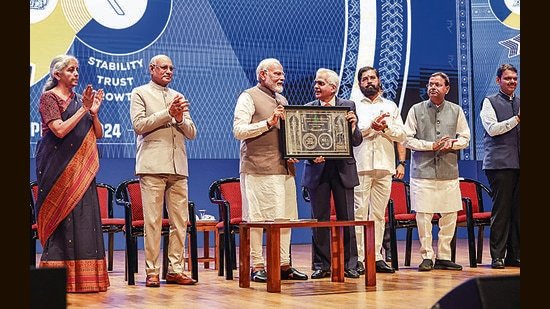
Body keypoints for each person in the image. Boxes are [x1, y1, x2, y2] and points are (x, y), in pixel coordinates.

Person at [35, 54, 109, 293]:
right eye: (70, 70)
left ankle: (86, 279)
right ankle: (56, 279)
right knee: (62, 223)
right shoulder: (49, 98)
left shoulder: (81, 100)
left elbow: (98, 134)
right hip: (57, 169)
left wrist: (94, 113)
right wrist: (83, 111)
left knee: (83, 220)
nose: (76, 74)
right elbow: (58, 130)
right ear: (57, 74)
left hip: (82, 172)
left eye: (77, 70)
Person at [233, 58, 308, 282]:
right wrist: (267, 122)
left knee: (284, 218)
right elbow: (239, 130)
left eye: (282, 73)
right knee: (258, 218)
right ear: (262, 75)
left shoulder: (282, 99)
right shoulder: (248, 96)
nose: (281, 77)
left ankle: (284, 264)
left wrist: (293, 150)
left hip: (284, 169)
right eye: (276, 74)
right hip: (259, 167)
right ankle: (258, 265)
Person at [130, 54, 197, 287]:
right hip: (152, 166)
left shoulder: (178, 96)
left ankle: (175, 270)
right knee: (153, 222)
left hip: (178, 167)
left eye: (171, 68)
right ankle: (152, 272)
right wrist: (167, 113)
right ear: (151, 69)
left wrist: (179, 118)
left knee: (180, 222)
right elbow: (139, 125)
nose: (169, 71)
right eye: (164, 67)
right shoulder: (139, 93)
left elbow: (191, 132)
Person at [402, 72, 470, 271]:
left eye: (438, 84)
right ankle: (426, 256)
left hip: (448, 171)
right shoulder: (416, 109)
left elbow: (465, 137)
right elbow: (407, 139)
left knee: (449, 215)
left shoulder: (456, 110)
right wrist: (430, 145)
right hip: (422, 172)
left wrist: (453, 143)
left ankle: (444, 256)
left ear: (446, 89)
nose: (432, 87)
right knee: (423, 216)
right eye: (430, 84)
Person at [302, 68, 362, 279]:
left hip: (342, 169)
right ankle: (321, 265)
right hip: (317, 171)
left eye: (320, 83)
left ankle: (350, 264)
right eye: (316, 83)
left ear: (333, 88)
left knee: (348, 219)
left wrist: (353, 126)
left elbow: (356, 141)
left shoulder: (348, 106)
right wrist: (311, 157)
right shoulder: (308, 108)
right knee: (319, 220)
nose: (316, 87)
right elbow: (302, 142)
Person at [351, 66, 406, 274]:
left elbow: (401, 136)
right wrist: (370, 128)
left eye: (372, 77)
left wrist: (384, 128)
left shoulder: (390, 106)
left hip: (384, 165)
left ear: (379, 80)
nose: (369, 81)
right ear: (359, 83)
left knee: (378, 214)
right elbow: (351, 135)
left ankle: (376, 256)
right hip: (361, 165)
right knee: (359, 212)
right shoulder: (353, 105)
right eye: (364, 79)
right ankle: (359, 258)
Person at [479, 63, 520, 269]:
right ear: (498, 81)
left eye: (514, 78)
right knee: (502, 210)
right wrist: (517, 119)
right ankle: (498, 256)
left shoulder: (520, 102)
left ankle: (515, 255)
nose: (512, 82)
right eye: (507, 78)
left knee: (518, 211)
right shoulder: (489, 102)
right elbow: (493, 129)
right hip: (499, 164)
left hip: (519, 164)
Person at [380, 142, 407, 263]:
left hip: (386, 166)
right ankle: (370, 252)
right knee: (365, 213)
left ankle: (389, 249)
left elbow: (400, 139)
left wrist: (401, 163)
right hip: (363, 166)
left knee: (384, 211)